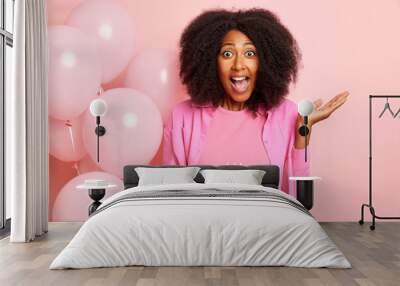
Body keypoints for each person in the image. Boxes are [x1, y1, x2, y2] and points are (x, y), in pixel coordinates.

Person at [163, 8, 349, 196]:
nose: (238, 65)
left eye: (250, 53)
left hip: (267, 223)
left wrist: (303, 132)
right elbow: (172, 192)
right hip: (203, 223)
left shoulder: (287, 114)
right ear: (210, 61)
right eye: (227, 54)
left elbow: (297, 196)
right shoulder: (182, 116)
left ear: (266, 61)